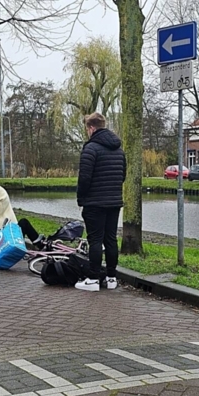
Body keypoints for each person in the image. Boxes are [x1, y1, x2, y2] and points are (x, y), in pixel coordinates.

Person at [75, 112, 125, 292]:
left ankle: (93, 279)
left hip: (94, 202)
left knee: (95, 239)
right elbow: (122, 176)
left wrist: (81, 198)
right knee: (110, 239)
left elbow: (84, 179)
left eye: (87, 129)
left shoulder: (90, 149)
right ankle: (112, 278)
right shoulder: (119, 149)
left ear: (91, 128)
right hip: (114, 202)